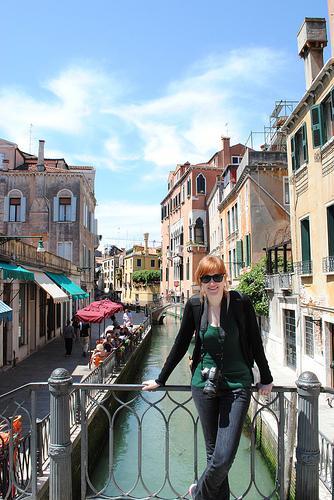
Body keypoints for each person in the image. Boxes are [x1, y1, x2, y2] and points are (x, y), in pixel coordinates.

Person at [142, 255, 273, 500]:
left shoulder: (240, 302)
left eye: (217, 277)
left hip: (237, 386)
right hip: (204, 387)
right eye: (206, 278)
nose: (212, 283)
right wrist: (160, 379)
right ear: (200, 281)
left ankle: (198, 491)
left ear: (225, 278)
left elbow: (255, 343)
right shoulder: (194, 305)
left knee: (223, 458)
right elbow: (180, 344)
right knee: (214, 456)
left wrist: (265, 377)